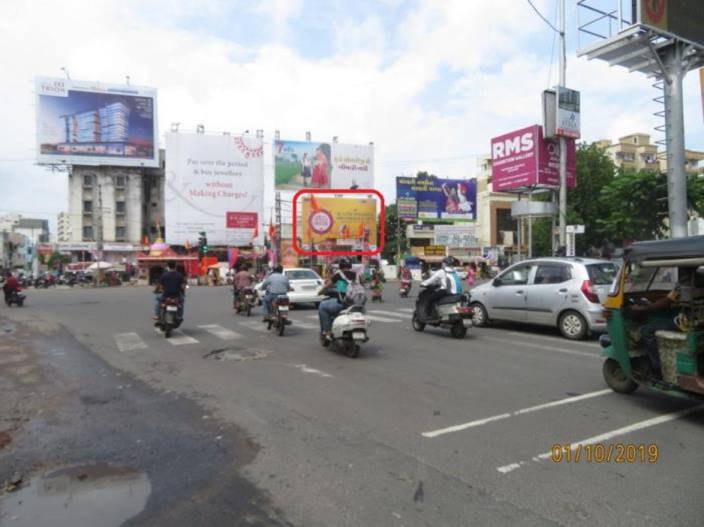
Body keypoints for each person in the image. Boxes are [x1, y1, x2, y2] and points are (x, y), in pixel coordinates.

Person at [629, 270, 690, 378]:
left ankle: (657, 369)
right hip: (692, 319)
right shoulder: (697, 280)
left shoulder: (687, 282)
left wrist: (645, 308)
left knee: (646, 330)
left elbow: (667, 301)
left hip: (686, 322)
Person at [318, 258, 359, 335]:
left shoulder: (338, 275)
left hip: (343, 303)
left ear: (340, 266)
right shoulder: (356, 275)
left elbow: (327, 286)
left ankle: (327, 330)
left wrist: (319, 292)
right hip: (356, 304)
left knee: (322, 307)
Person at [418, 257, 462, 321]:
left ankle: (428, 316)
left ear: (444, 264)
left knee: (430, 299)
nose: (442, 264)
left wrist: (423, 283)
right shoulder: (454, 271)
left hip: (445, 291)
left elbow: (431, 280)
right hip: (457, 292)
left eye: (442, 263)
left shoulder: (442, 271)